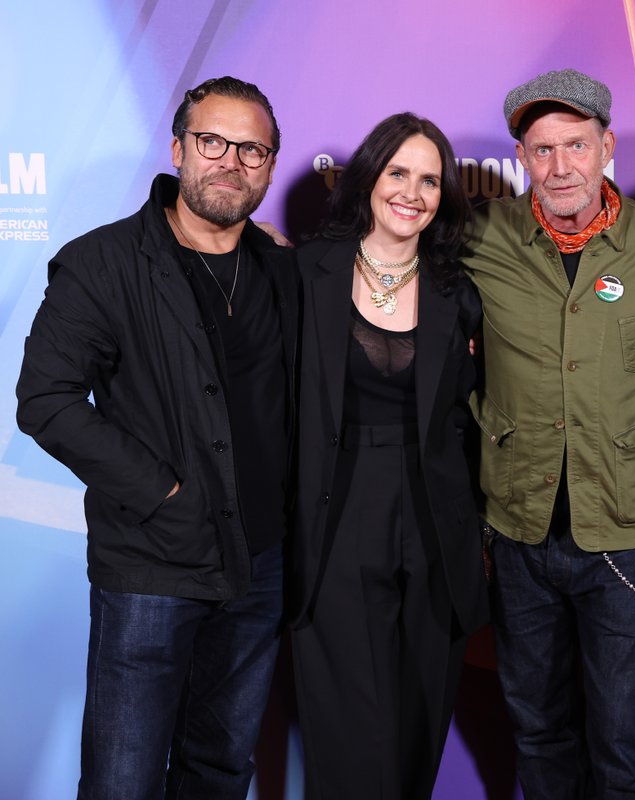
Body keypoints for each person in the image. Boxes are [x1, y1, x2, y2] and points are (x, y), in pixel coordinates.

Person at [15, 77, 295, 798]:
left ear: (269, 164)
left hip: (260, 565)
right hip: (151, 567)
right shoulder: (102, 263)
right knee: (123, 778)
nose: (231, 161)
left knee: (221, 769)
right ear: (178, 150)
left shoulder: (283, 271)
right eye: (213, 142)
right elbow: (45, 401)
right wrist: (164, 493)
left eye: (252, 150)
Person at [462, 68, 635, 799]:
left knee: (620, 728)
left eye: (577, 146)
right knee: (537, 722)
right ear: (521, 158)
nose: (561, 167)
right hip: (519, 530)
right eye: (542, 149)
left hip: (622, 528)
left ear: (606, 146)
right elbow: (383, 263)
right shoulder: (481, 235)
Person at [286, 113, 488, 798]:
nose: (413, 191)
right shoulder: (302, 273)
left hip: (436, 523)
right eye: (398, 172)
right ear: (369, 177)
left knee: (417, 726)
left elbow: (476, 414)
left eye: (430, 179)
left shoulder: (458, 291)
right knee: (351, 733)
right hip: (333, 516)